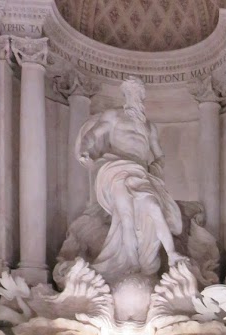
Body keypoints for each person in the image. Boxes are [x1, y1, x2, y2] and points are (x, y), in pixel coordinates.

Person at [76, 75, 183, 282]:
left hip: (140, 173)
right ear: (125, 95)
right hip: (116, 169)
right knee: (126, 215)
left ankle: (172, 255)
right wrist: (85, 149)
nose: (136, 97)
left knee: (154, 207)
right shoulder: (113, 116)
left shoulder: (149, 126)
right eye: (132, 93)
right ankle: (133, 263)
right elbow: (93, 135)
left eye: (139, 93)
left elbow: (159, 154)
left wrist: (157, 167)